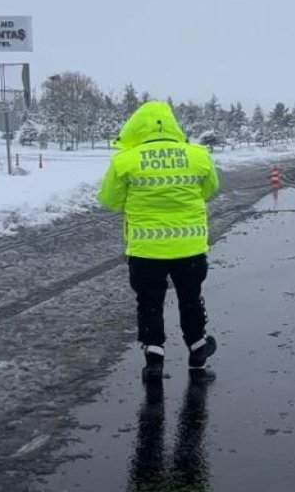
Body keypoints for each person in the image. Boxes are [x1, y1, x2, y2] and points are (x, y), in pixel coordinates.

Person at [98, 101, 221, 383]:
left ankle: (154, 358)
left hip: (145, 250)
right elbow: (210, 189)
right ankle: (198, 348)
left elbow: (111, 199)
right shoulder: (198, 155)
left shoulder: (125, 160)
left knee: (149, 302)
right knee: (190, 298)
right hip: (189, 247)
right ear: (173, 124)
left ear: (137, 127)